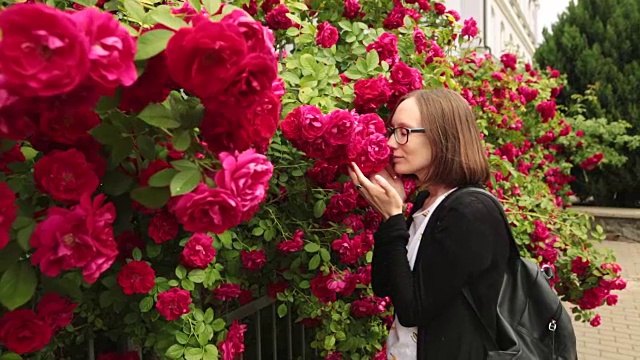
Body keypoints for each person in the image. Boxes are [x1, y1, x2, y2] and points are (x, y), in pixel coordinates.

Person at [348, 88, 511, 360]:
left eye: (404, 131)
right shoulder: (427, 201)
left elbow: (413, 310)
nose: (390, 143)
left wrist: (394, 217)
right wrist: (393, 214)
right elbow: (384, 284)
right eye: (392, 130)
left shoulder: (469, 212)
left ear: (441, 137)